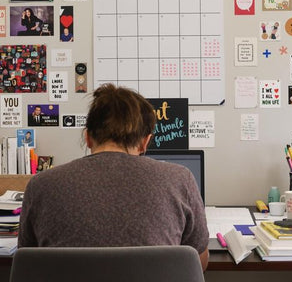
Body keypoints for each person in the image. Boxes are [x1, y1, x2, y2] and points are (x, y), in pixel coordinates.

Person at [18, 83, 209, 271]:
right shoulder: (180, 179)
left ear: (88, 138)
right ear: (145, 142)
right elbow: (197, 262)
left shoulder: (41, 185)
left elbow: (28, 263)